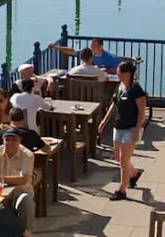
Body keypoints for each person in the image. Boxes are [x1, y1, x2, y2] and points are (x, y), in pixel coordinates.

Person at [99, 61, 148, 201]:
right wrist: (104, 121)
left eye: (119, 72)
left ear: (127, 74)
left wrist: (138, 130)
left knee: (124, 160)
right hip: (119, 125)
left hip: (131, 128)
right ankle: (134, 174)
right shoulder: (119, 87)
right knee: (119, 158)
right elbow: (114, 103)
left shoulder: (137, 91)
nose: (117, 74)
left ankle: (122, 190)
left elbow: (141, 113)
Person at [0, 128, 40, 237]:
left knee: (27, 202)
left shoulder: (27, 155)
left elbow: (23, 179)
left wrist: (0, 178)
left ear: (19, 140)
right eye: (7, 139)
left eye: (13, 139)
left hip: (20, 191)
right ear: (3, 140)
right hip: (0, 191)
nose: (10, 142)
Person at [49, 38, 120, 72]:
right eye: (91, 46)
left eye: (94, 46)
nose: (92, 48)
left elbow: (118, 69)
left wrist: (104, 70)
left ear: (101, 46)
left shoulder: (110, 57)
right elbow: (72, 51)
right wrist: (55, 47)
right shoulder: (88, 54)